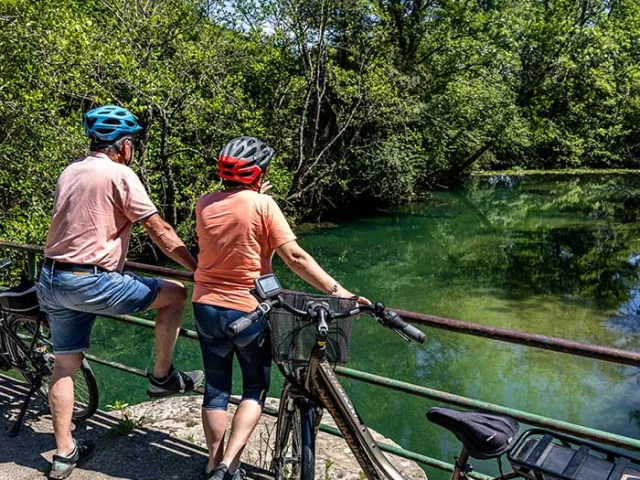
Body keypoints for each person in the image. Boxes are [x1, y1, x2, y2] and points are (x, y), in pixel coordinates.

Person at [36, 105, 204, 479]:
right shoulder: (120, 174)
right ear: (123, 145)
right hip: (91, 280)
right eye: (133, 144)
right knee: (175, 293)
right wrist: (197, 268)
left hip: (51, 277)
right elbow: (159, 230)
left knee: (64, 364)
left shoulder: (71, 170)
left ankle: (64, 454)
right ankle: (162, 377)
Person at [193, 136, 370, 480]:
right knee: (253, 389)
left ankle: (212, 464)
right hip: (248, 310)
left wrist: (256, 195)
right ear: (259, 174)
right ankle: (229, 466)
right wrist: (342, 293)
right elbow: (295, 257)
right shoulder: (263, 205)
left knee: (216, 389)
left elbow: (231, 222)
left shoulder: (204, 203)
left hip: (205, 306)